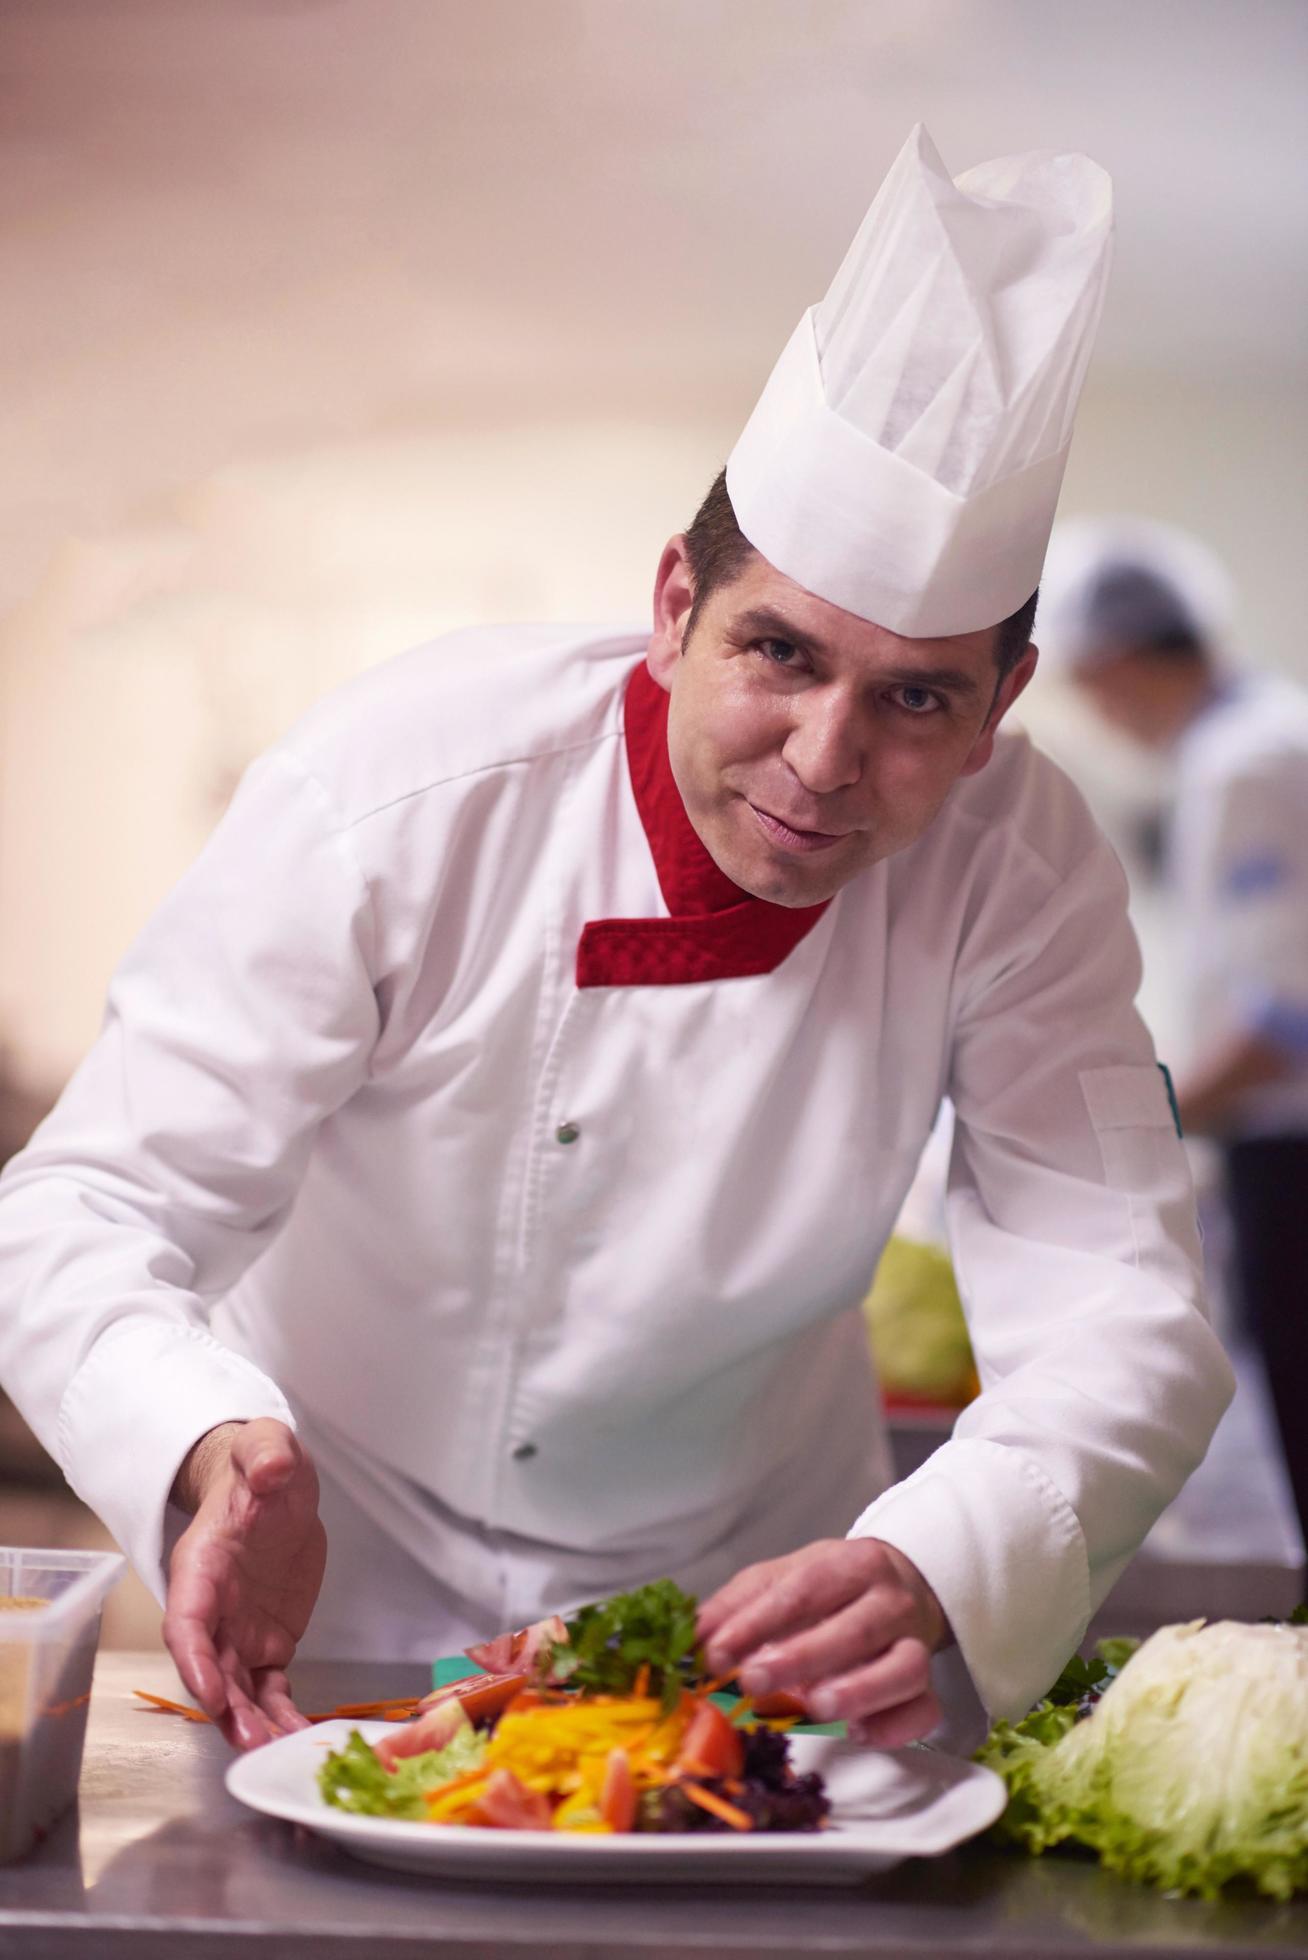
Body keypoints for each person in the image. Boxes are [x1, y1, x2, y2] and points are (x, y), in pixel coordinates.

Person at [0, 127, 1233, 1754]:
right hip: (336, 1603)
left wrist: (937, 1558)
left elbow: (1119, 1304)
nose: (822, 755)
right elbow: (86, 1204)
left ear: (1001, 703)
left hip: (756, 1626)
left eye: (915, 696)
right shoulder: (398, 792)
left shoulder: (1019, 864)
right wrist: (210, 1442)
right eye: (776, 653)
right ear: (671, 605)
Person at [1043, 517, 1308, 1553]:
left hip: (1290, 1155)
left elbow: (1281, 1020)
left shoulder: (1247, 761)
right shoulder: (1256, 738)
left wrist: (1129, 1128)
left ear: (1112, 664)